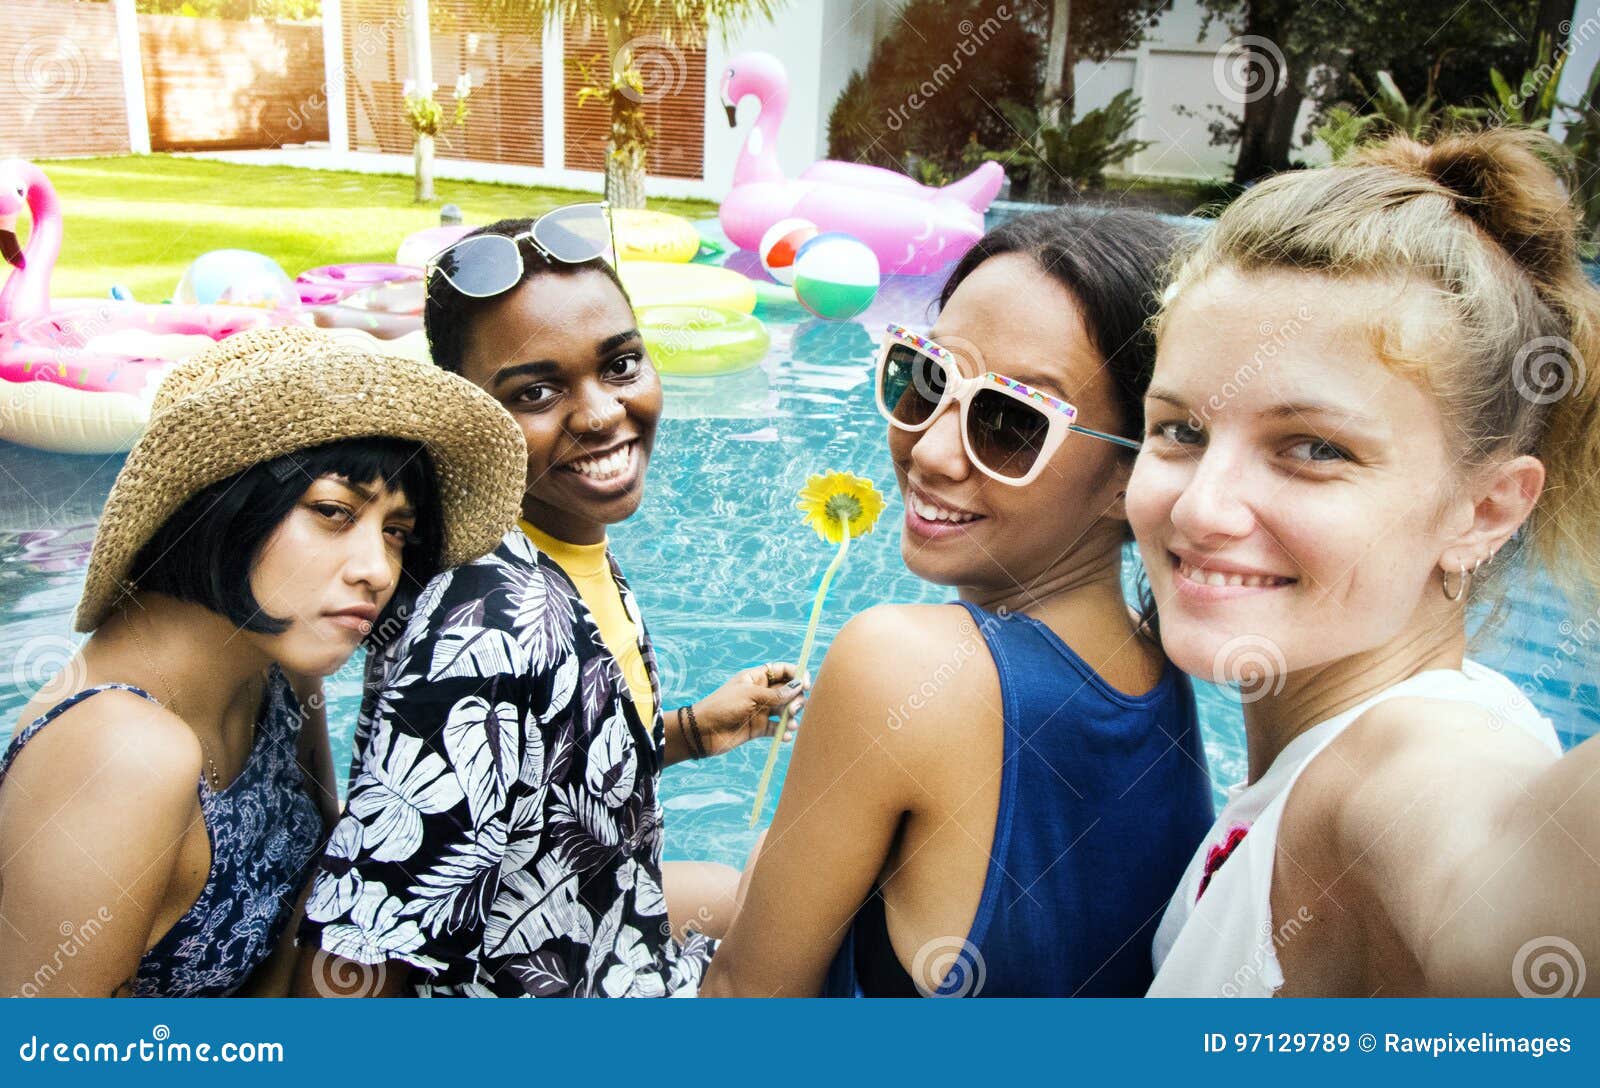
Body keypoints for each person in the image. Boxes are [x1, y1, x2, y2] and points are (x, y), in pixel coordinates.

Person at [1129, 128, 1600, 996]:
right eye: (1181, 430)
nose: (1200, 507)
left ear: (1484, 511)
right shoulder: (1320, 749)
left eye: (1313, 447)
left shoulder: (1405, 761)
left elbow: (1500, 876)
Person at [700, 207, 1215, 998]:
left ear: (1133, 475)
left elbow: (744, 1000)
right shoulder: (1155, 658)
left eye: (1010, 420)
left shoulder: (900, 666)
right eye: (926, 377)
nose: (932, 452)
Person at [297, 209, 806, 997]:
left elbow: (546, 771)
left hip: (600, 927)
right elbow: (359, 965)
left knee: (770, 890)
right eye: (536, 390)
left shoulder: (565, 548)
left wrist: (696, 731)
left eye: (621, 364)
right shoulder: (488, 624)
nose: (602, 413)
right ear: (464, 418)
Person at [0, 326, 527, 997]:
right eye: (334, 512)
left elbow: (322, 899)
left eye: (396, 532)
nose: (377, 570)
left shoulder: (277, 669)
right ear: (224, 505)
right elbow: (46, 1057)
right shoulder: (120, 752)